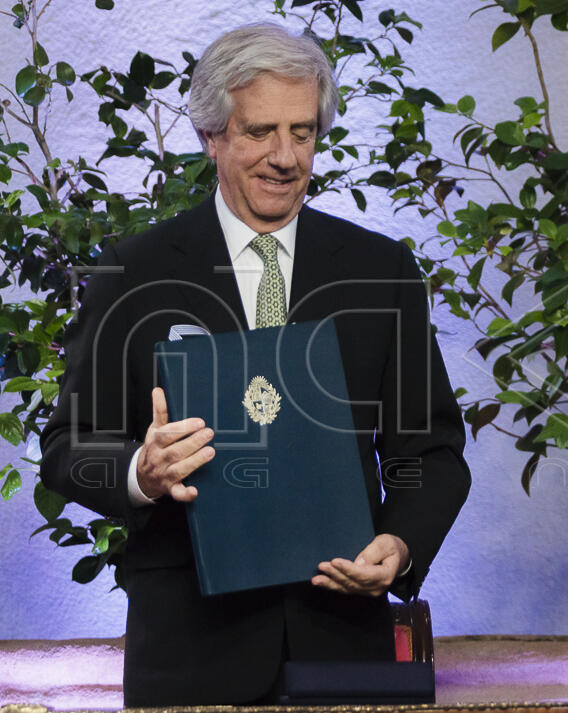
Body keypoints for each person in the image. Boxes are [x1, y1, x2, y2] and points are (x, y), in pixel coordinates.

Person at [40, 23, 470, 706]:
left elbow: (432, 452)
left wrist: (400, 541)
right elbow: (66, 448)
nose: (285, 156)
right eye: (260, 131)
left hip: (343, 646)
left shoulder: (379, 271)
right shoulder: (136, 270)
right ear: (212, 136)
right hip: (188, 651)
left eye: (303, 132)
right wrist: (138, 472)